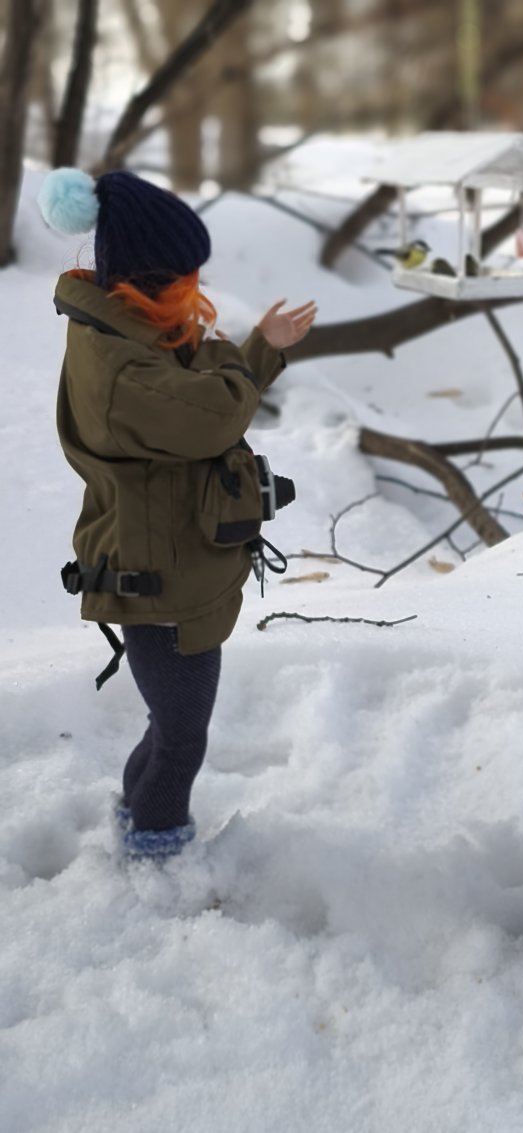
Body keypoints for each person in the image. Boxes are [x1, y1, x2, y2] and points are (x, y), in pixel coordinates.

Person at [38, 167, 317, 861]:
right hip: (156, 583)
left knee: (172, 723)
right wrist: (249, 356)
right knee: (183, 732)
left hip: (169, 566)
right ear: (146, 280)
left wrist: (257, 349)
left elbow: (203, 379)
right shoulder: (123, 370)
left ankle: (135, 815)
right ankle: (157, 848)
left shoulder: (130, 333)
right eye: (182, 283)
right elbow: (211, 411)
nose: (195, 296)